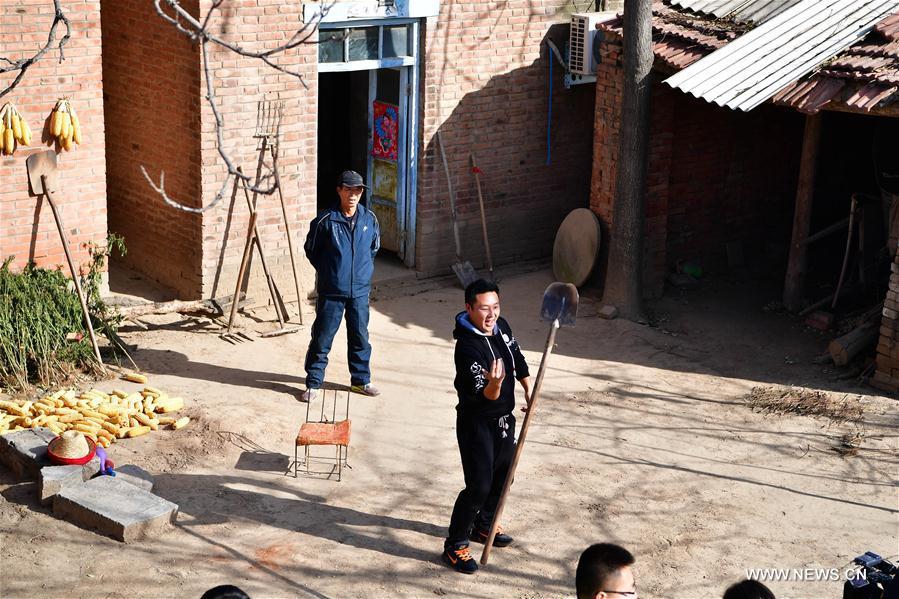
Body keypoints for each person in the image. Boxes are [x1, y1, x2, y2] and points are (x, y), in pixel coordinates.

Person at [442, 279, 531, 574]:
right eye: (484, 309)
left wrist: (528, 388)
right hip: (476, 423)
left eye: (496, 307)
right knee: (479, 486)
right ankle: (455, 544)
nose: (491, 315)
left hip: (505, 420)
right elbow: (486, 395)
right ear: (469, 308)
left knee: (504, 477)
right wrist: (495, 383)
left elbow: (516, 357)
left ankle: (484, 524)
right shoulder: (467, 348)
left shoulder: (501, 326)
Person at [302, 170, 381, 401]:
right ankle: (313, 383)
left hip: (359, 291)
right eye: (348, 189)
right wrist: (331, 272)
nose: (353, 195)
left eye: (358, 190)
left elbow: (373, 248)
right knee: (322, 337)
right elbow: (312, 250)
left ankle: (361, 381)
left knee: (360, 336)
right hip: (332, 291)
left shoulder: (369, 219)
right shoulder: (326, 220)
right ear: (339, 190)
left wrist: (362, 273)